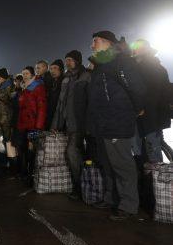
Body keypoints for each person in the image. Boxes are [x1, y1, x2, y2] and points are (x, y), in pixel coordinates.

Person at [88, 30, 145, 221]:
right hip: (102, 123)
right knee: (108, 164)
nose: (92, 45)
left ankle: (128, 206)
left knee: (122, 165)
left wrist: (136, 109)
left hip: (117, 121)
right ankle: (111, 199)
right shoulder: (100, 65)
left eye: (95, 41)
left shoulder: (121, 61)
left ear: (107, 42)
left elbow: (137, 88)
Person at [51, 50, 91, 200]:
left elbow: (91, 101)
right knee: (77, 154)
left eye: (70, 60)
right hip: (69, 124)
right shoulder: (66, 79)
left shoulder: (86, 76)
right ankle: (81, 186)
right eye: (66, 59)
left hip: (81, 123)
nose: (67, 62)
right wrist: (56, 124)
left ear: (77, 61)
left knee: (72, 152)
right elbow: (61, 104)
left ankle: (79, 187)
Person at [131, 39, 171, 163]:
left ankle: (157, 178)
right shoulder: (132, 67)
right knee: (137, 149)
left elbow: (157, 92)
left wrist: (143, 107)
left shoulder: (156, 67)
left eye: (140, 47)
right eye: (135, 47)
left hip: (152, 116)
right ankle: (144, 178)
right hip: (136, 115)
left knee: (153, 149)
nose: (136, 49)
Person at [11, 66, 46, 183]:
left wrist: (38, 126)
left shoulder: (37, 87)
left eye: (26, 74)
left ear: (32, 75)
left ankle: (32, 174)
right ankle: (24, 172)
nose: (24, 76)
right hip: (22, 124)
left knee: (32, 151)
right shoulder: (23, 89)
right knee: (22, 149)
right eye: (23, 74)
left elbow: (41, 107)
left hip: (32, 124)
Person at [0, 68, 14, 153]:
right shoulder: (0, 87)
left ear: (4, 78)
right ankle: (8, 157)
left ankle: (12, 158)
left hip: (7, 118)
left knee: (9, 139)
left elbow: (8, 100)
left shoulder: (10, 87)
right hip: (0, 117)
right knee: (5, 139)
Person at [45, 59, 64, 130]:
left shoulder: (64, 83)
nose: (52, 71)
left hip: (60, 119)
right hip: (49, 116)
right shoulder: (50, 83)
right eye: (51, 68)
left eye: (55, 68)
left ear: (61, 69)